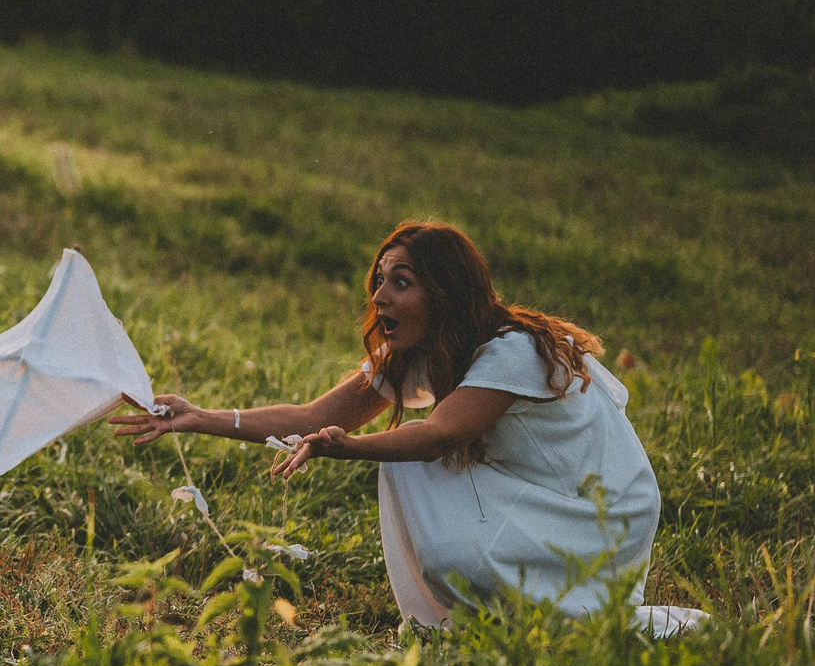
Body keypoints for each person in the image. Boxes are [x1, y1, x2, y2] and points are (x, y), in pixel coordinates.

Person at [111, 222, 694, 631]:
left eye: (402, 282)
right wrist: (200, 418)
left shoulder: (512, 350)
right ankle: (461, 622)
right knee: (408, 469)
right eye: (380, 280)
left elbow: (441, 433)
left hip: (602, 508)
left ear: (444, 292)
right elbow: (315, 416)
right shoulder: (423, 353)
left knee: (412, 462)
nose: (380, 296)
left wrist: (351, 448)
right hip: (541, 491)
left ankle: (513, 620)